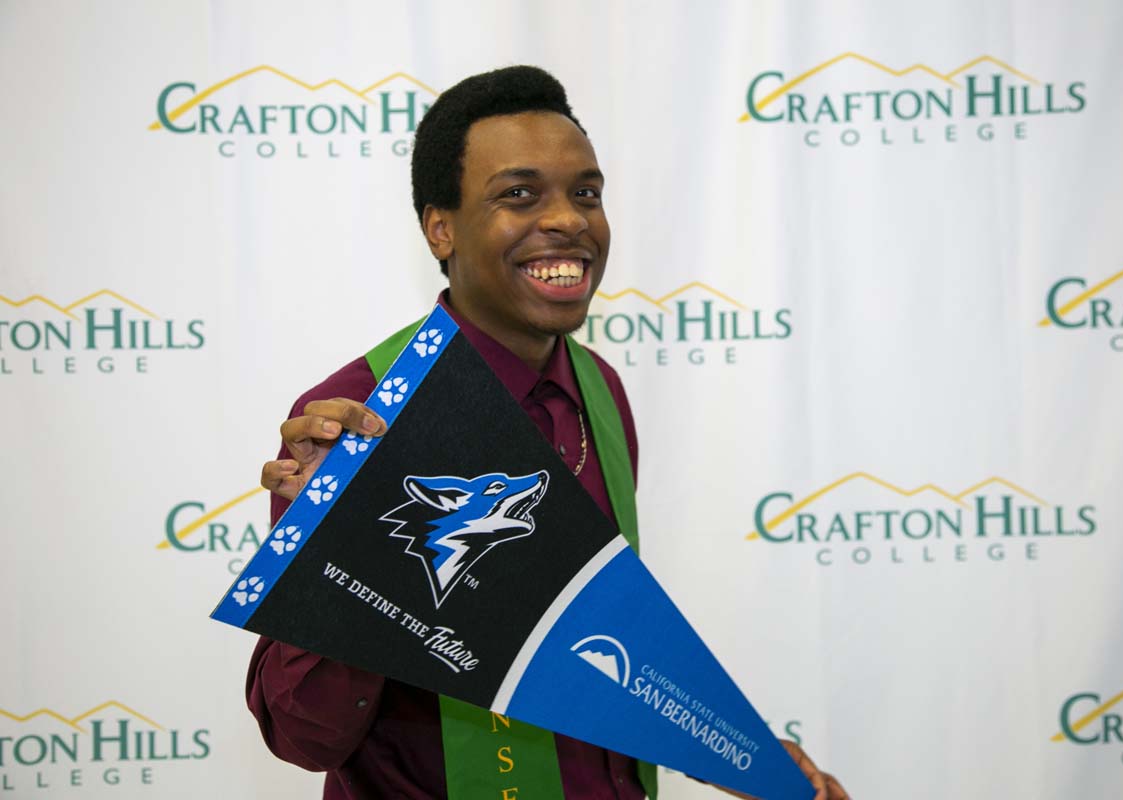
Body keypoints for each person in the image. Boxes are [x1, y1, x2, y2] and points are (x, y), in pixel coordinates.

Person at [253, 65, 848, 800]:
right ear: (441, 227)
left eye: (587, 193)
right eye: (519, 194)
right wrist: (352, 555)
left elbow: (588, 645)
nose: (569, 219)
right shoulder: (356, 412)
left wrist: (744, 754)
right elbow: (303, 739)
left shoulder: (600, 389)